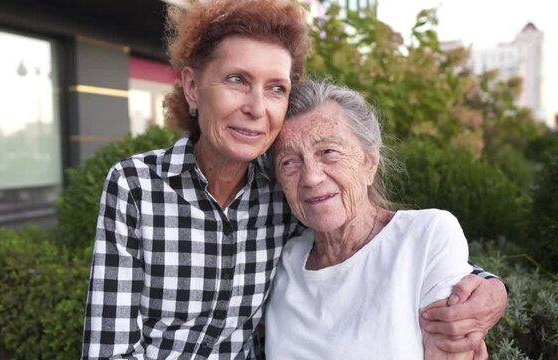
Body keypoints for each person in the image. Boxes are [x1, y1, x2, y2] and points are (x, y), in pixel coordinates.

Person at [81, 1, 507, 359]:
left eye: (276, 89)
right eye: (236, 80)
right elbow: (108, 349)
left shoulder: (283, 187)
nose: (256, 107)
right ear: (192, 88)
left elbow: (389, 248)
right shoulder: (137, 185)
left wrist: (490, 289)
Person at [265, 79, 497, 359]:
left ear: (369, 162)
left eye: (329, 152)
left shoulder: (426, 236)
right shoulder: (284, 259)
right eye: (289, 162)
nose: (311, 177)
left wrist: (496, 288)